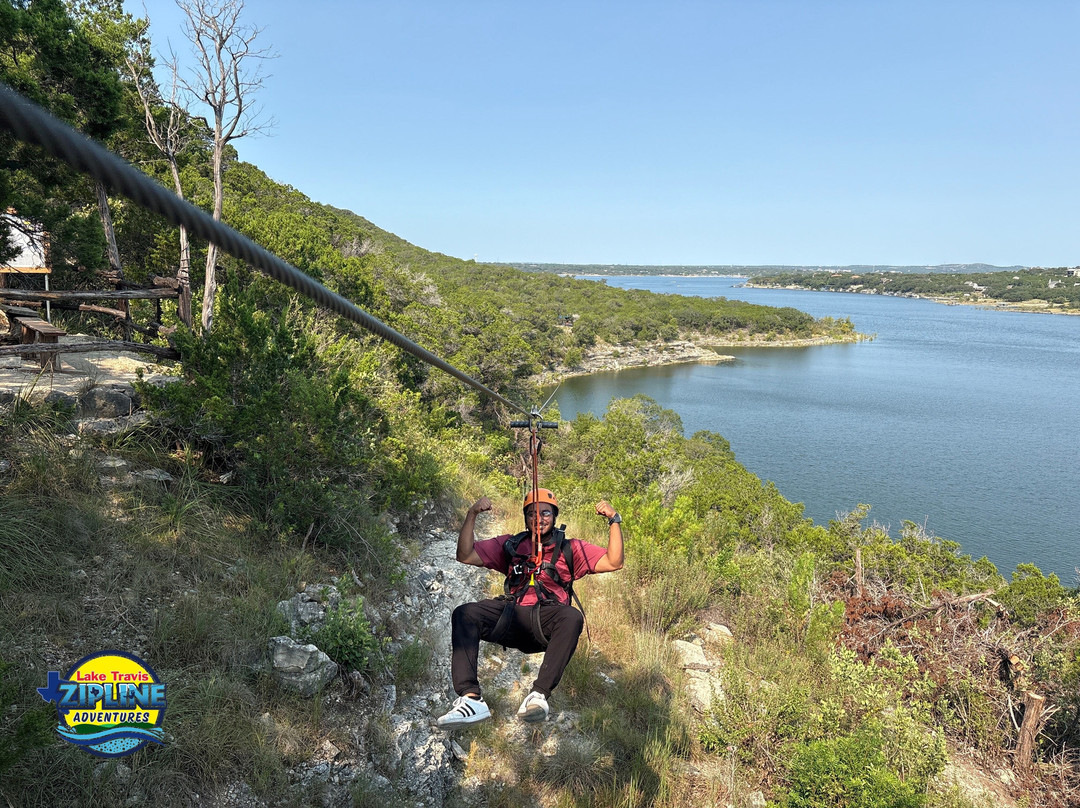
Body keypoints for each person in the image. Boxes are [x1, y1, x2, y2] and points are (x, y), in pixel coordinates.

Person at [436, 488, 624, 726]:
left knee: (572, 617)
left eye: (546, 513)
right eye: (532, 514)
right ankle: (471, 699)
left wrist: (613, 520)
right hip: (512, 617)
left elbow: (614, 561)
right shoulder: (511, 545)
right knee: (465, 613)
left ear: (554, 516)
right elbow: (465, 555)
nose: (539, 519)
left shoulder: (570, 548)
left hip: (546, 623)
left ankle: (539, 695)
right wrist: (472, 514)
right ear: (525, 518)